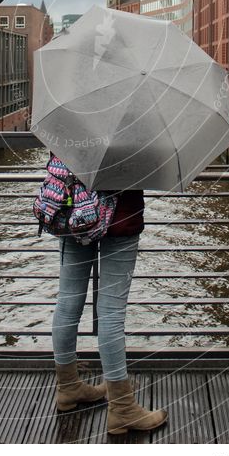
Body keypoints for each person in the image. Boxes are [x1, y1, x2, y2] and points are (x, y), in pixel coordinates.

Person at [52, 183, 168, 435]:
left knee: (68, 303)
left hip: (75, 209)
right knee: (112, 312)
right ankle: (122, 408)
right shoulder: (134, 139)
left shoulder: (69, 139)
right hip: (122, 217)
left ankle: (68, 387)